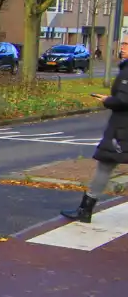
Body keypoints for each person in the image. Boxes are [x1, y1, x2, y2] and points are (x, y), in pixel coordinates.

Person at [61, 58, 128, 223]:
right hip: (121, 127)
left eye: (127, 44)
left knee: (105, 165)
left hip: (122, 128)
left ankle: (85, 210)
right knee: (105, 164)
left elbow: (123, 100)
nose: (123, 47)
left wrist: (107, 100)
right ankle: (85, 209)